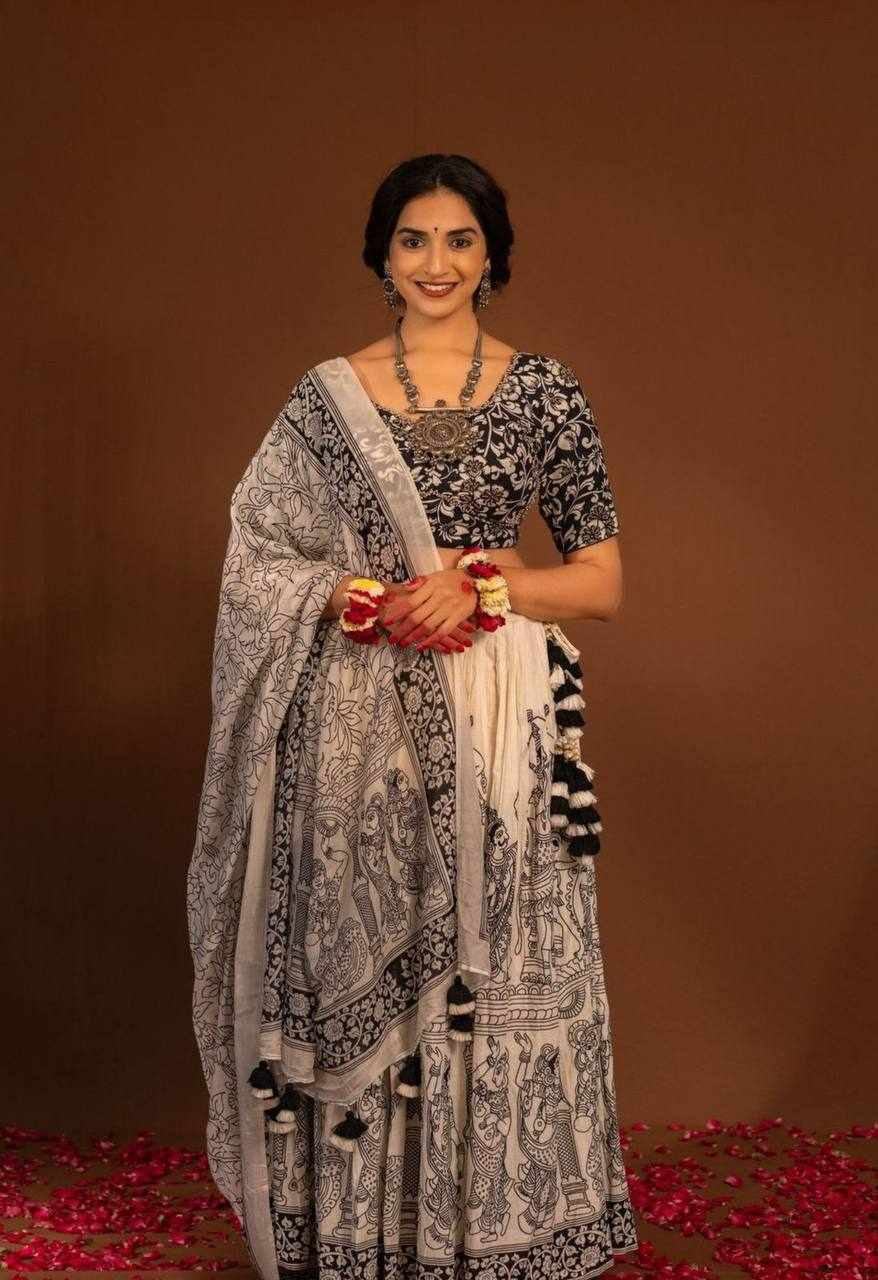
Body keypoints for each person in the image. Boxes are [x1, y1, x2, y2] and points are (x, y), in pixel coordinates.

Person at [186, 152, 639, 1280]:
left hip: (498, 711)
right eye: (413, 239)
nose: (437, 263)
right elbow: (256, 558)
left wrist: (489, 586)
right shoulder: (323, 397)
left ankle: (488, 1234)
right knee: (365, 955)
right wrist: (349, 595)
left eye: (460, 240)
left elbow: (600, 581)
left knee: (493, 967)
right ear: (381, 255)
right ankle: (365, 1241)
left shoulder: (545, 391)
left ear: (492, 255)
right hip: (352, 715)